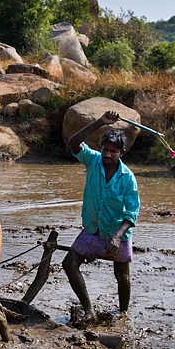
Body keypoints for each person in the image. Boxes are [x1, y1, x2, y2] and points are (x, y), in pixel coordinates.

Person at [62, 110, 140, 318]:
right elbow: (73, 142)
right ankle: (89, 310)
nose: (108, 155)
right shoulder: (92, 161)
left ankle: (123, 314)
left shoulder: (127, 178)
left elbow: (132, 212)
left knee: (122, 276)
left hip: (117, 232)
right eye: (106, 149)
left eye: (114, 151)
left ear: (122, 153)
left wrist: (117, 235)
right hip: (93, 229)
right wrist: (100, 122)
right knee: (69, 263)